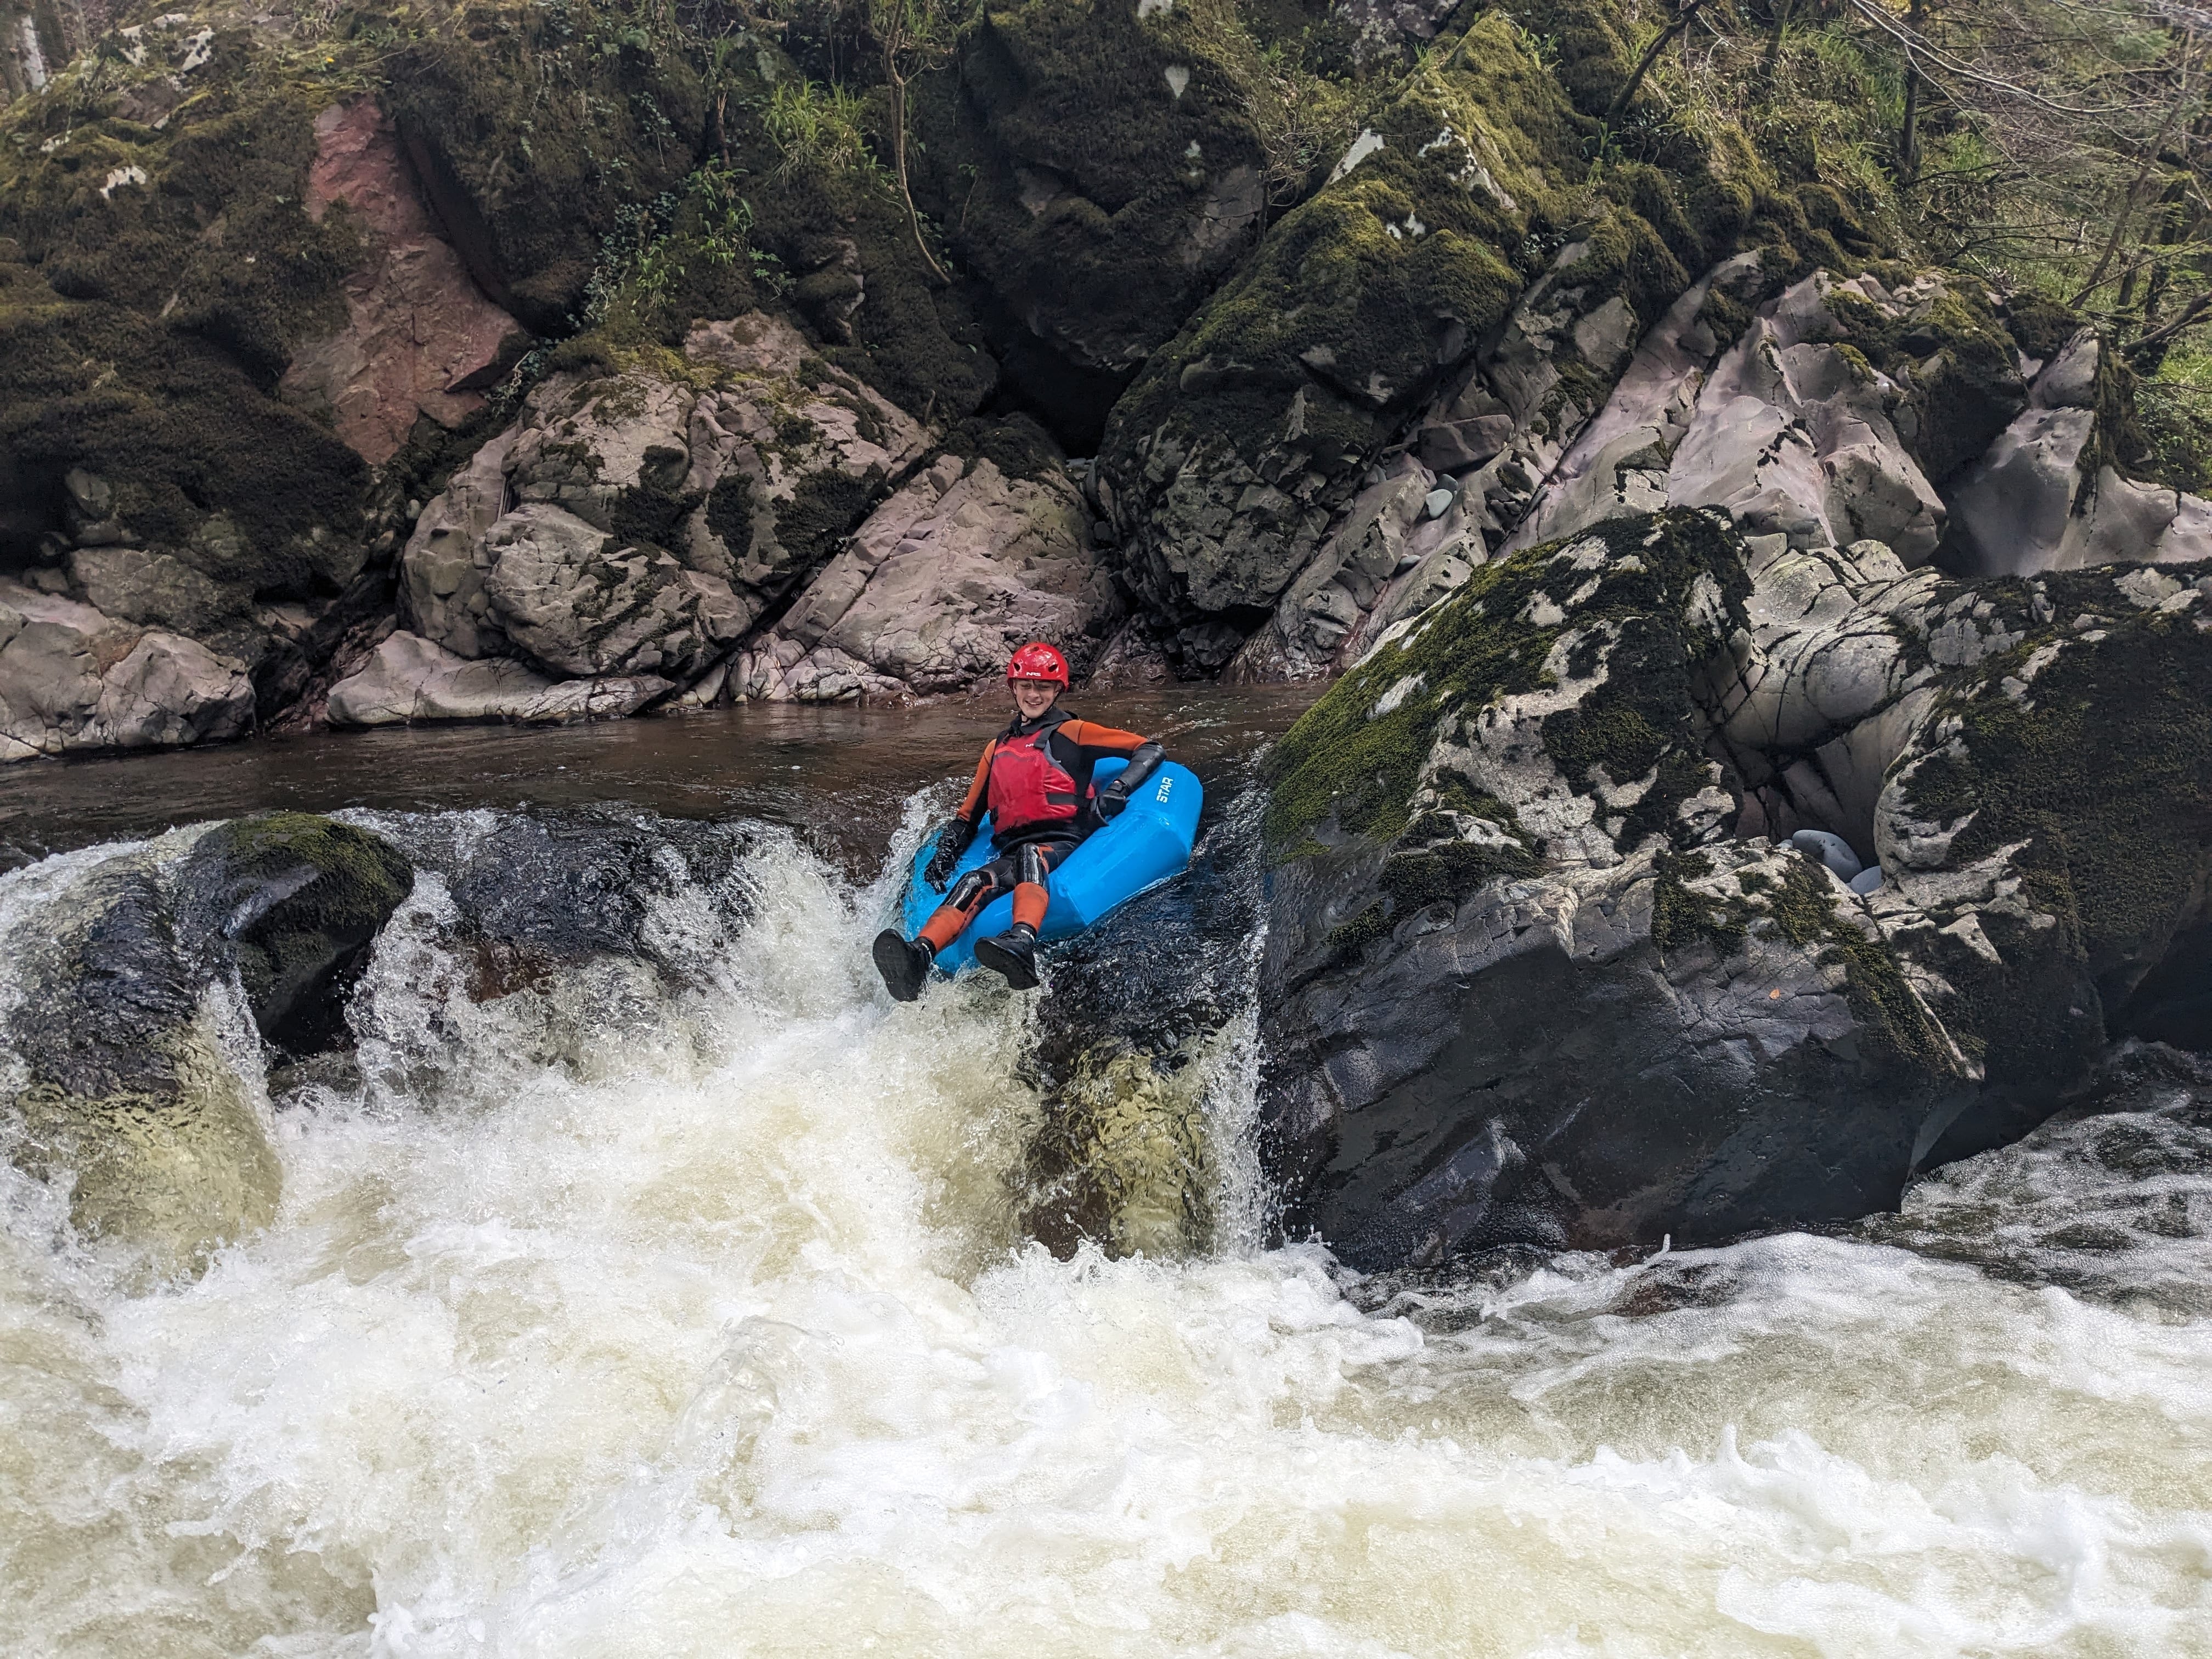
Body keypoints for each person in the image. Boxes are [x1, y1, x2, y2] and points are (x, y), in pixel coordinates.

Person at [872, 641, 1165, 1001]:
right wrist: (946, 852)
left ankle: (1022, 941)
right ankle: (919, 958)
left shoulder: (1075, 732)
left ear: (1058, 690)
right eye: (1026, 685)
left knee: (1031, 855)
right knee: (973, 880)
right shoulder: (996, 748)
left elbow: (1149, 749)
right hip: (1010, 847)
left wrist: (1117, 789)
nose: (1033, 694)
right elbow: (968, 815)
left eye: (1043, 686)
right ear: (1013, 688)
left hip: (1064, 838)